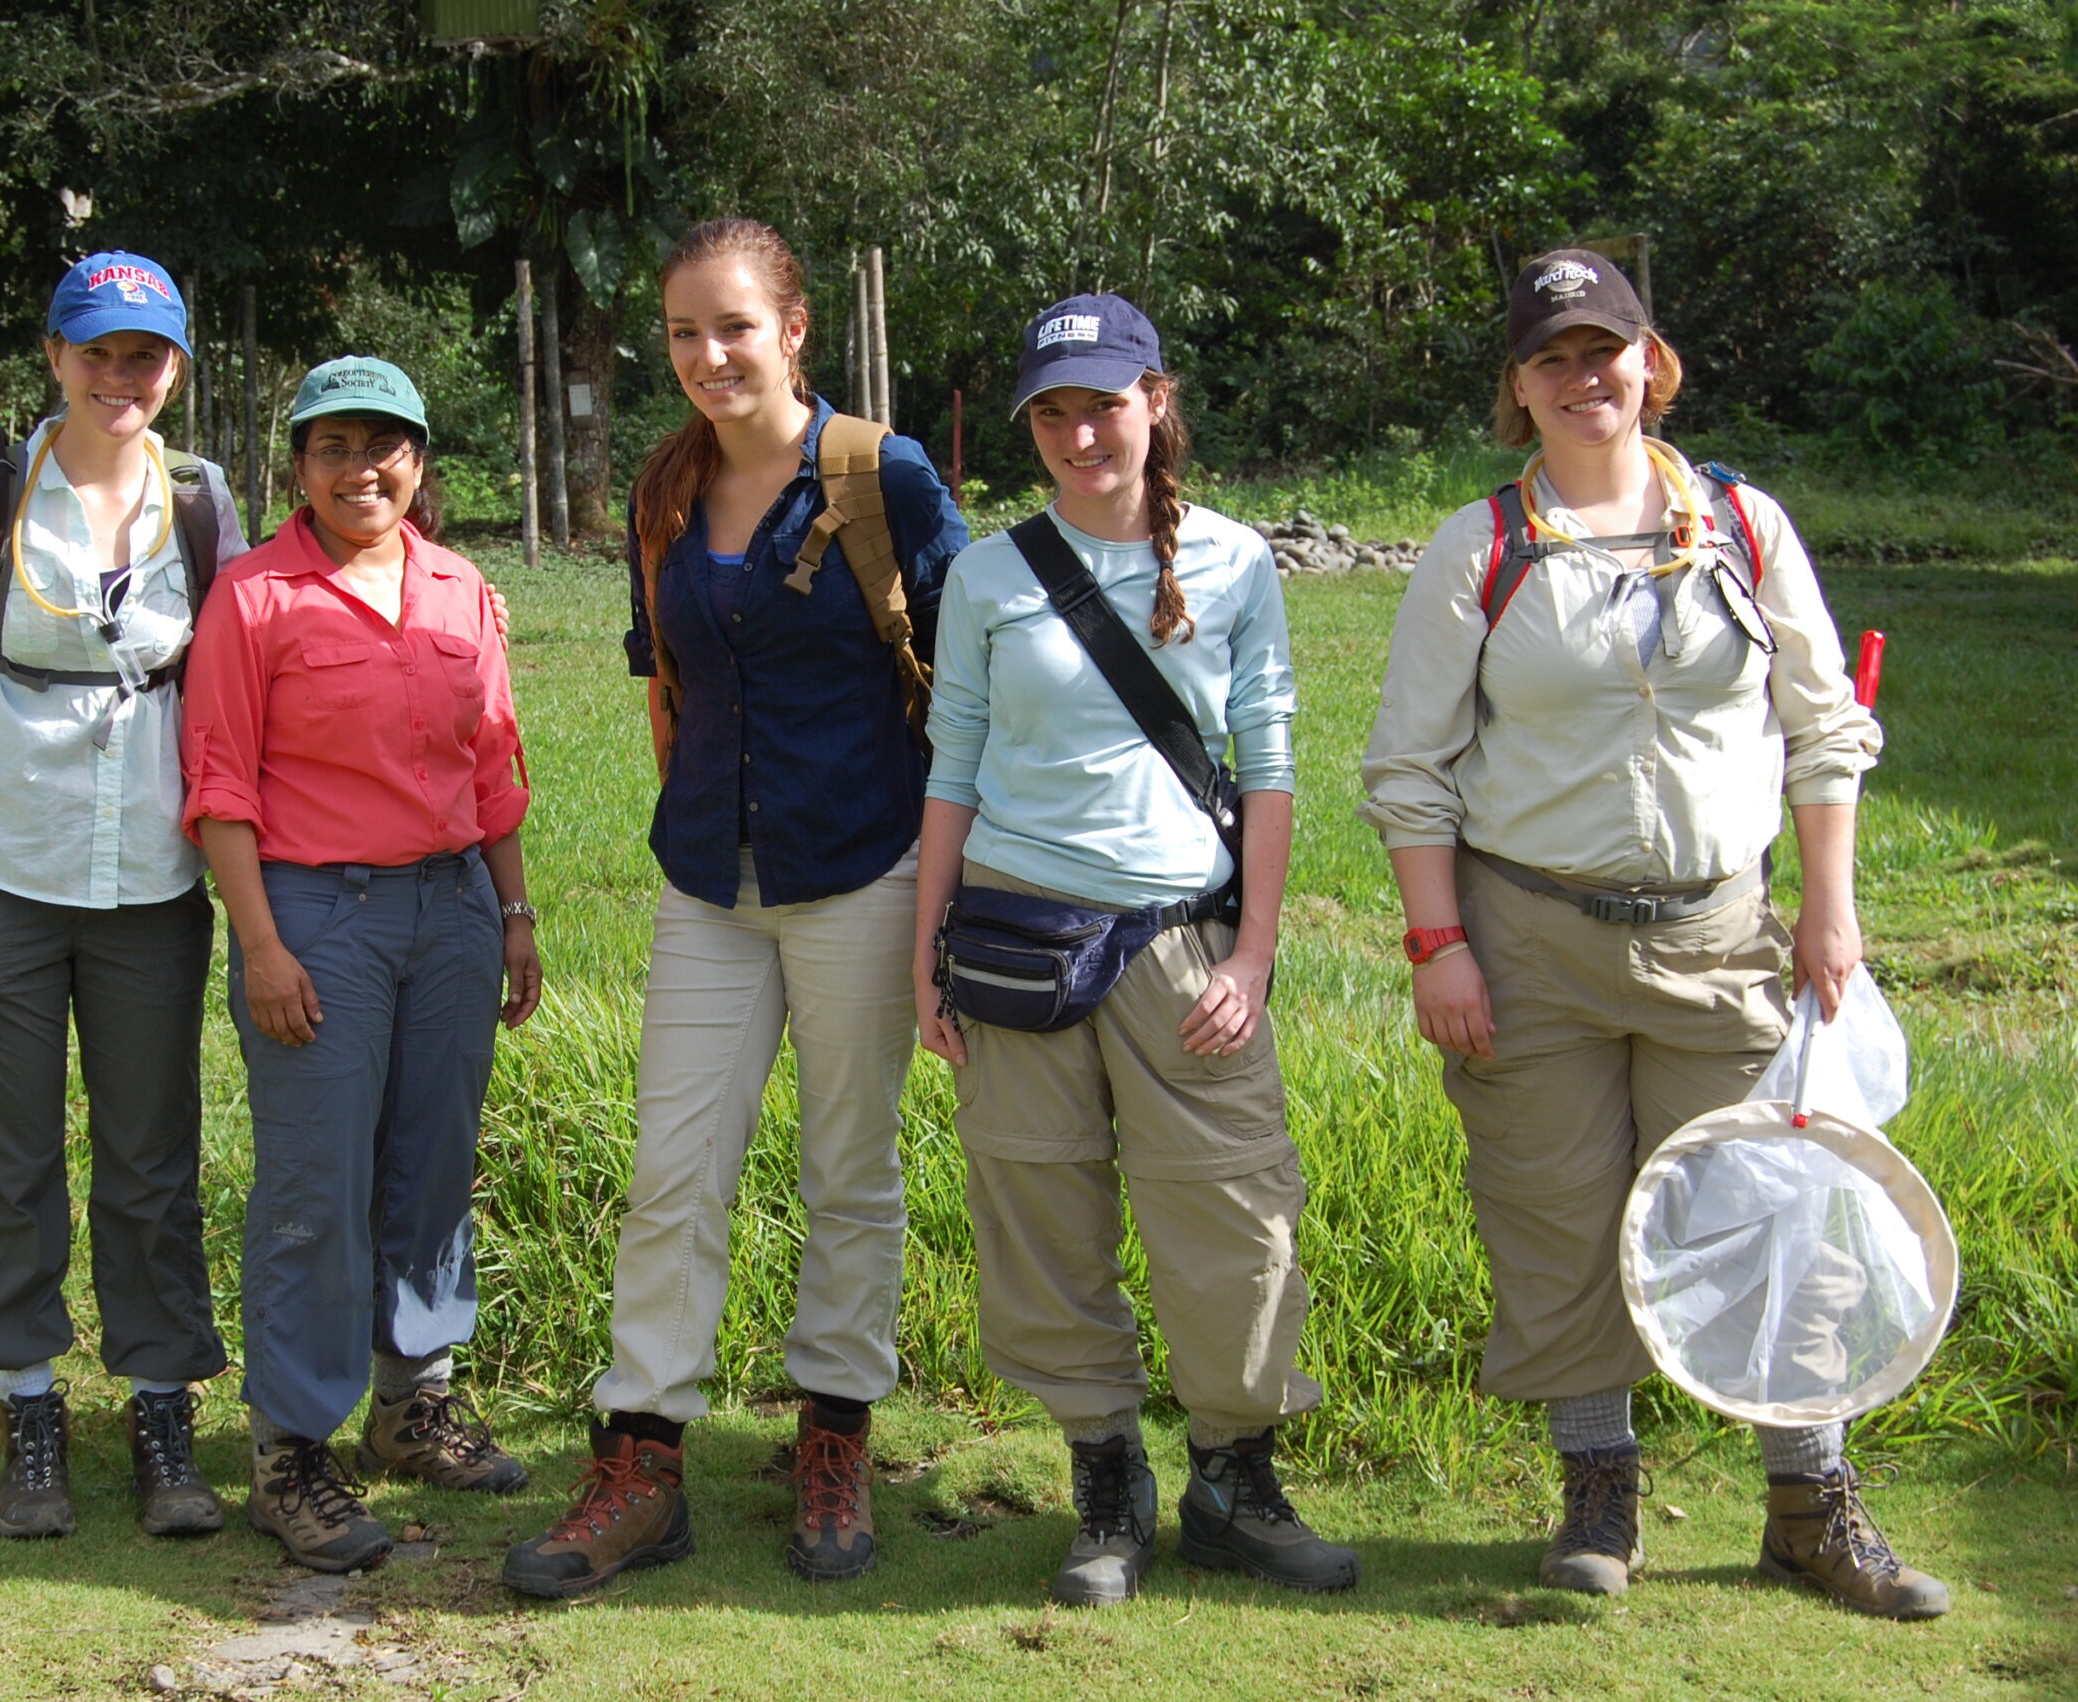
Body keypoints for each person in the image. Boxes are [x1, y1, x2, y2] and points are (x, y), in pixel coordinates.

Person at [1359, 250, 1947, 1619]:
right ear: (1519, 384)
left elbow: (1824, 726)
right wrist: (1435, 942)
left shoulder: (1742, 520)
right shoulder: (1480, 546)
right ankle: (1597, 1493)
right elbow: (1409, 768)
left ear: (1652, 361)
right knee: (1554, 1214)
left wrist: (1832, 910)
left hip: (1722, 933)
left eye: (1604, 350)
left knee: (1781, 1216)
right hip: (1529, 942)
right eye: (1553, 357)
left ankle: (1809, 1503)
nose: (1584, 378)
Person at [501, 218, 967, 1598]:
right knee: (673, 1175)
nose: (709, 355)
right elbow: (670, 680)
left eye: (735, 327)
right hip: (709, 877)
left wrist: (951, 889)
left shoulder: (885, 475)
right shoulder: (668, 488)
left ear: (795, 327)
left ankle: (834, 1438)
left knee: (849, 1170)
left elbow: (968, 679)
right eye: (686, 333)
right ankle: (642, 1457)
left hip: (863, 869)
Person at [910, 294, 1359, 1608]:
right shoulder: (991, 573)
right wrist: (924, 951)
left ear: (1155, 400)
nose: (1077, 433)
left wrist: (1254, 953)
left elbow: (1270, 764)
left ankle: (1235, 1477)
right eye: (1051, 410)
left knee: (1233, 1212)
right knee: (1040, 1208)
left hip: (1184, 942)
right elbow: (954, 770)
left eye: (1101, 403)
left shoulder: (1234, 562)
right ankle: (1106, 1481)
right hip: (1013, 934)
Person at [0, 250, 246, 1540]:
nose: (118, 378)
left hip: (152, 876)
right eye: (94, 352)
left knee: (153, 1158)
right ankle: (28, 1408)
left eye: (143, 356)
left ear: (176, 371)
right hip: (2, 866)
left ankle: (160, 1412)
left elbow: (238, 695)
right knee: (10, 1151)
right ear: (53, 357)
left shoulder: (202, 504)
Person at [180, 356, 539, 1574]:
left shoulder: (458, 588)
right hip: (314, 915)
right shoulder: (254, 596)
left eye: (385, 444)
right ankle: (290, 1448)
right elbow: (219, 785)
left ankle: (412, 1402)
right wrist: (261, 943)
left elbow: (494, 762)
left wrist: (517, 911)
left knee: (432, 1162)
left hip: (451, 912)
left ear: (419, 461)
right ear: (297, 466)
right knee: (314, 1185)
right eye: (333, 446)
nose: (362, 468)